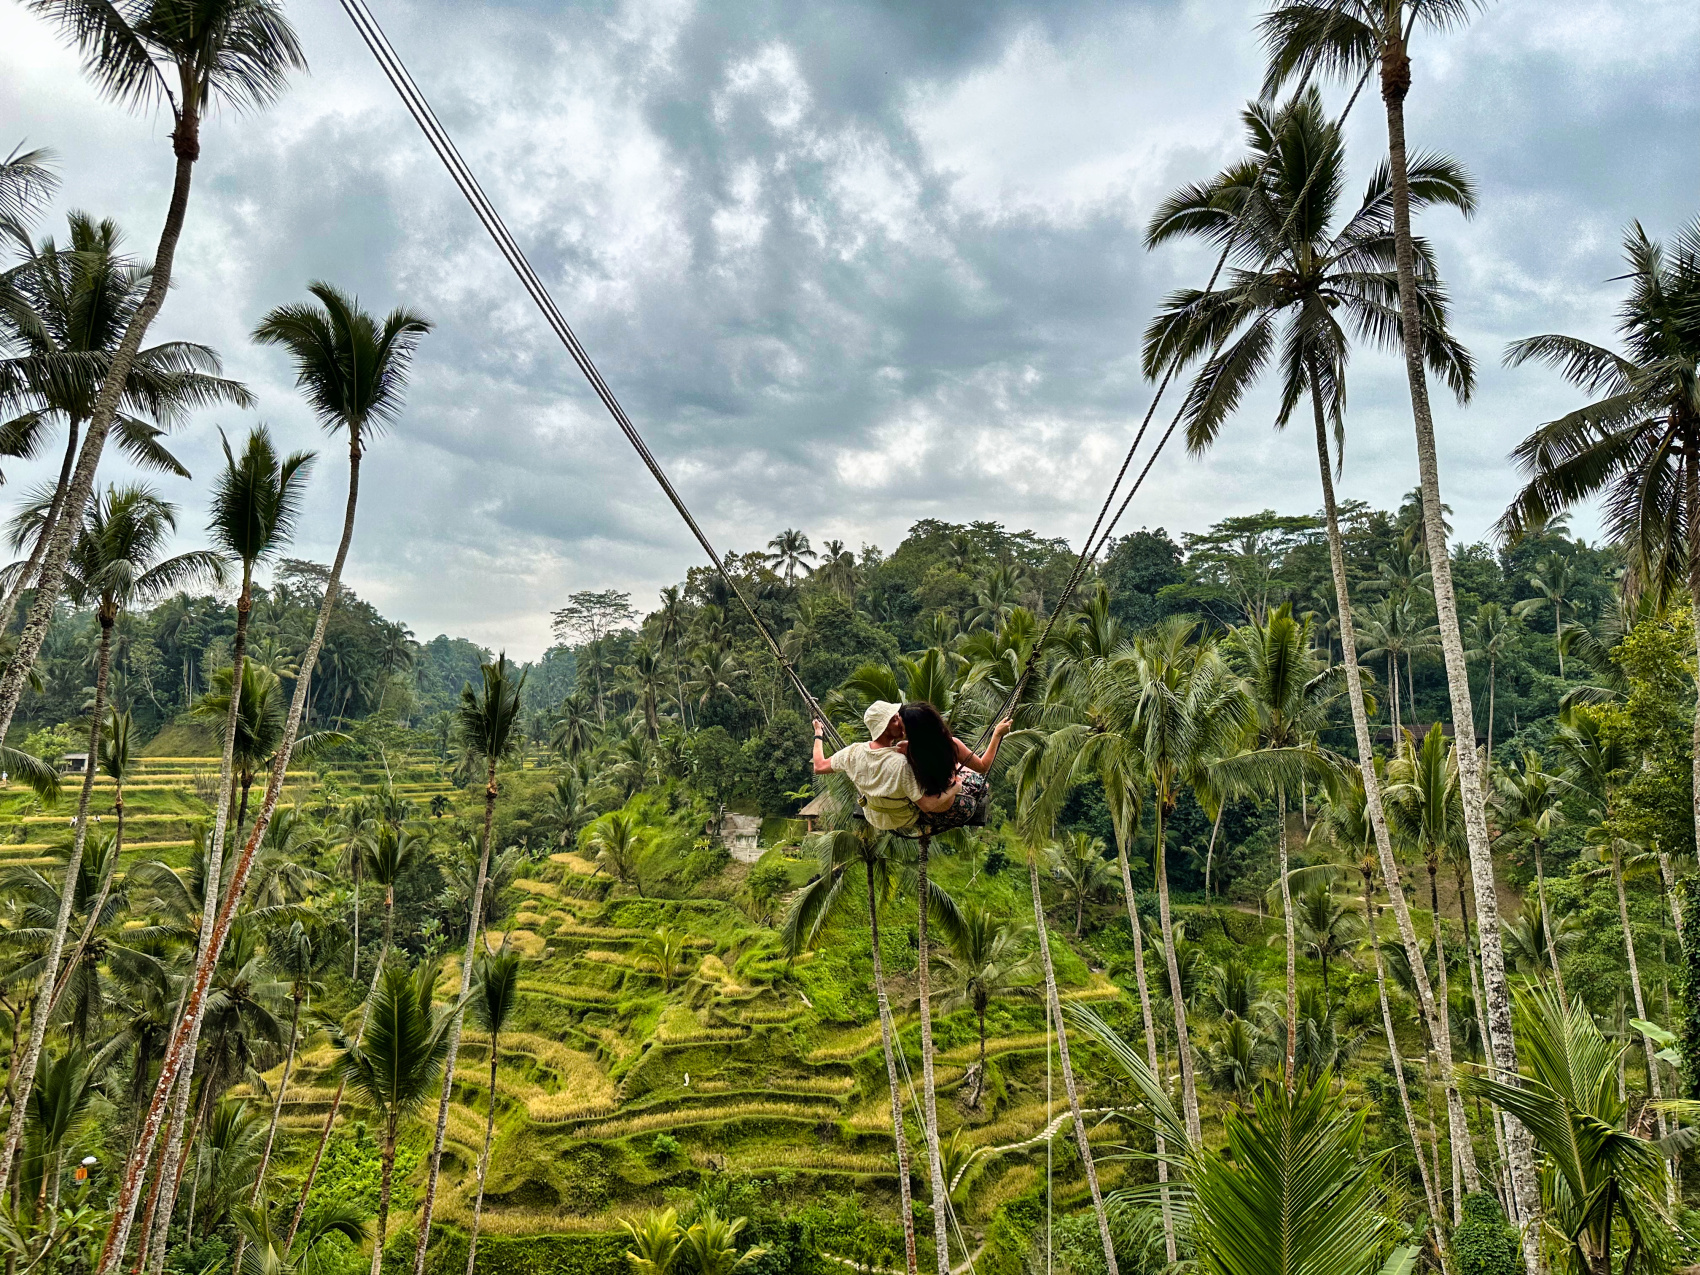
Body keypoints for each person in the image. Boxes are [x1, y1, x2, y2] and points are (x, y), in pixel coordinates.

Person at [812, 700, 958, 832]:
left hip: (874, 817)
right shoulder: (901, 763)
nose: (901, 722)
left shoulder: (853, 752)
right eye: (895, 720)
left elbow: (819, 766)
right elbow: (926, 805)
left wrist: (818, 734)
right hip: (903, 817)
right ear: (883, 728)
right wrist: (955, 788)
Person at [898, 701, 1011, 834]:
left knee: (957, 770)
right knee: (973, 776)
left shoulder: (903, 749)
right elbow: (983, 766)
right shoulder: (950, 745)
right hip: (957, 810)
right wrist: (997, 735)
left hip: (925, 813)